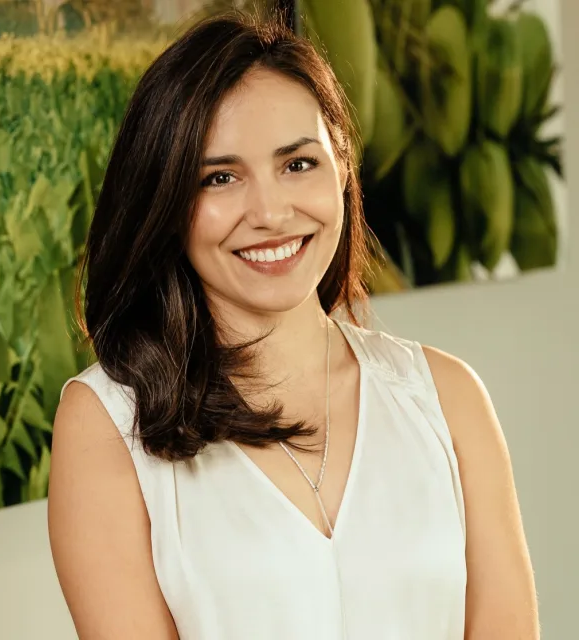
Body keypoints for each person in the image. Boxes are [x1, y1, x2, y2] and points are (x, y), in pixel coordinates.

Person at [47, 12, 539, 640]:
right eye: (220, 177)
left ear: (341, 169)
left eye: (297, 164)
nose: (271, 212)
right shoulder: (108, 422)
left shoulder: (447, 399)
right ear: (167, 201)